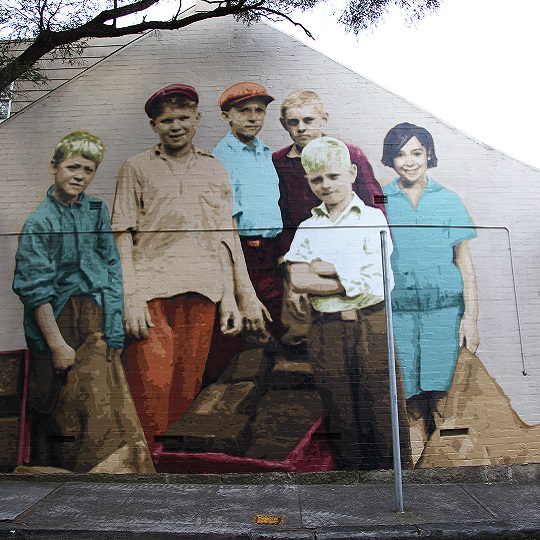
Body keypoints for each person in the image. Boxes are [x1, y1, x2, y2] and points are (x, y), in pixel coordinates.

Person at [111, 84, 264, 451]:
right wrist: (129, 298)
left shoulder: (214, 170)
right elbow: (122, 235)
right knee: (151, 386)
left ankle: (169, 475)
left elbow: (225, 237)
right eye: (166, 120)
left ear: (197, 119)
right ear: (154, 126)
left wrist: (232, 298)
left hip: (203, 292)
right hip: (152, 293)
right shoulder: (136, 167)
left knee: (186, 387)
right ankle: (143, 472)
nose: (175, 126)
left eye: (183, 118)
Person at [13, 131, 154, 473]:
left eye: (88, 170)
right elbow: (36, 292)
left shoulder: (95, 210)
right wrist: (58, 346)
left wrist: (114, 330)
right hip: (59, 325)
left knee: (108, 404)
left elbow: (111, 268)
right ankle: (73, 482)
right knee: (66, 407)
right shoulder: (40, 222)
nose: (79, 175)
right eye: (72, 166)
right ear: (55, 167)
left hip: (96, 324)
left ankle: (122, 476)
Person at [284, 137, 411, 470]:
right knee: (340, 407)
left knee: (381, 405)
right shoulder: (308, 227)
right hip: (326, 330)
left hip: (371, 322)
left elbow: (377, 281)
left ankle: (395, 481)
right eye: (316, 180)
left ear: (352, 173)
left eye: (333, 176)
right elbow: (298, 279)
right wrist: (347, 273)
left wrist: (323, 268)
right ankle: (351, 486)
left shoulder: (371, 219)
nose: (325, 185)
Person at [381, 122, 479, 460]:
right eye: (400, 154)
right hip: (399, 315)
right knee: (408, 399)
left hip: (444, 315)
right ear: (390, 159)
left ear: (429, 155)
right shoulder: (379, 201)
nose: (409, 161)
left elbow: (464, 263)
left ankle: (442, 471)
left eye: (416, 153)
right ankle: (417, 478)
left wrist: (470, 318)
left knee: (442, 397)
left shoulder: (449, 200)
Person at [272, 90, 387, 347]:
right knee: (306, 340)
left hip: (351, 253)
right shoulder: (278, 163)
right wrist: (291, 276)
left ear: (323, 119)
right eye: (293, 122)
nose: (301, 128)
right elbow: (280, 220)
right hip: (304, 256)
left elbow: (376, 201)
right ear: (284, 125)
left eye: (309, 120)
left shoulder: (349, 154)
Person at [213, 82, 283, 337]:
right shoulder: (223, 157)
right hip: (245, 250)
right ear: (226, 116)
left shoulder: (264, 151)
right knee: (252, 320)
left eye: (259, 110)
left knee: (274, 321)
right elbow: (227, 222)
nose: (253, 117)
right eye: (243, 110)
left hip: (271, 248)